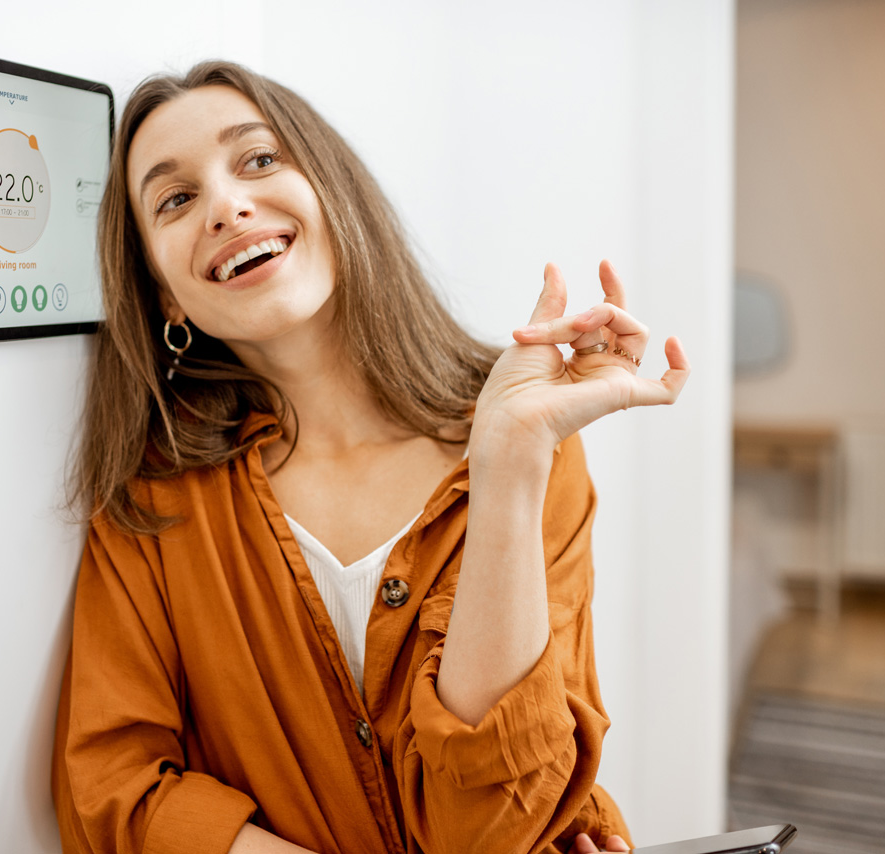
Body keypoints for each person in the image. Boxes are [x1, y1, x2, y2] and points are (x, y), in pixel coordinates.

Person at [51, 60, 689, 854]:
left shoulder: (525, 438)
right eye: (176, 199)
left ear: (331, 192)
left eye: (258, 159)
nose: (226, 205)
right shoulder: (155, 500)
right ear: (167, 297)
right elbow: (112, 790)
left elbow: (490, 828)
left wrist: (510, 464)